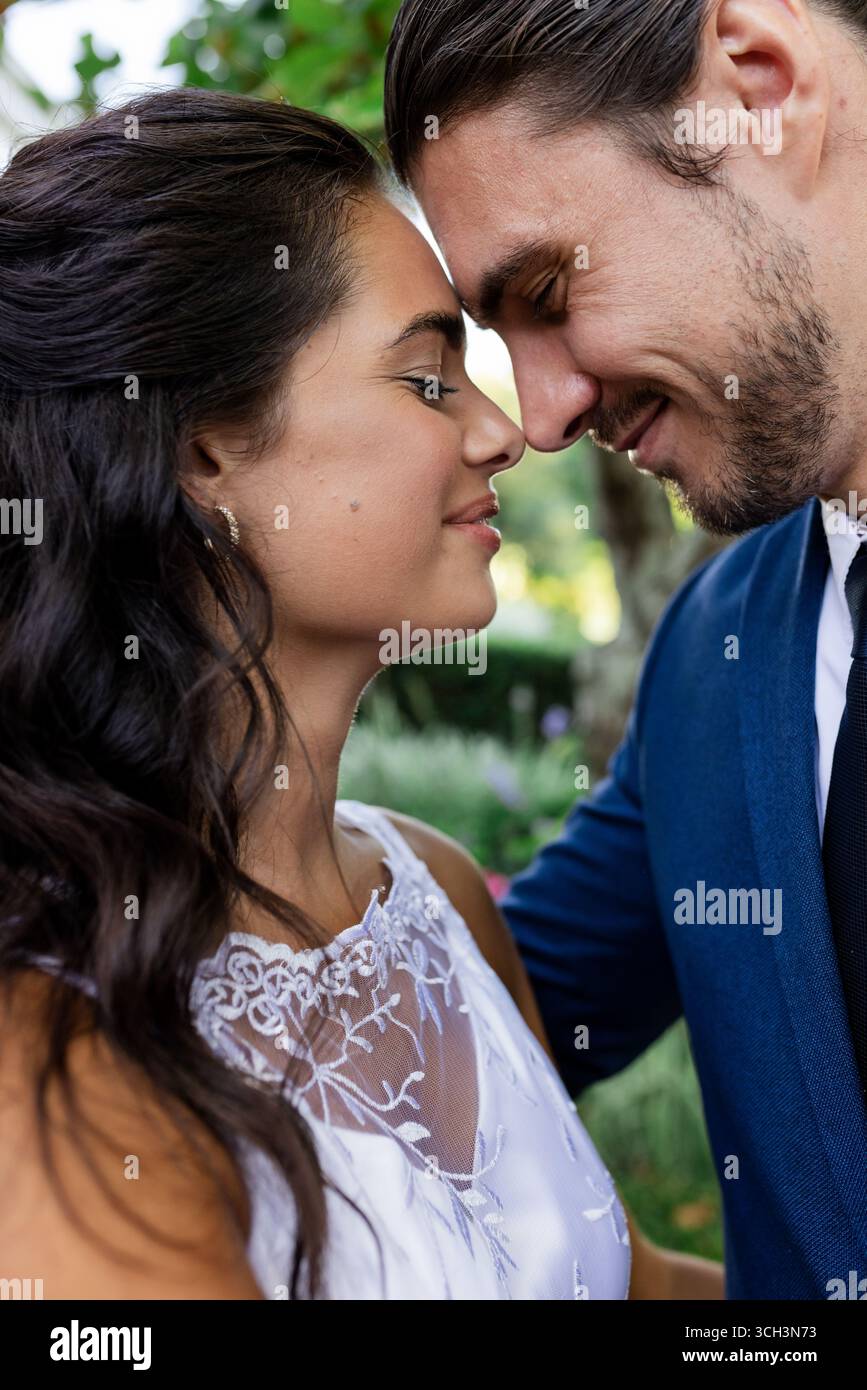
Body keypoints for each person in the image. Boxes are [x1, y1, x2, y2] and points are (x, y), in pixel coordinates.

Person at [0, 88, 721, 1300]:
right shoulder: (53, 1049)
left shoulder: (433, 893)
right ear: (204, 451)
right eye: (430, 377)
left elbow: (626, 1283)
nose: (507, 433)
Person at [384, 0, 867, 1300]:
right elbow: (487, 1016)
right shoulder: (713, 652)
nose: (536, 415)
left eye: (544, 293)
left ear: (758, 84)